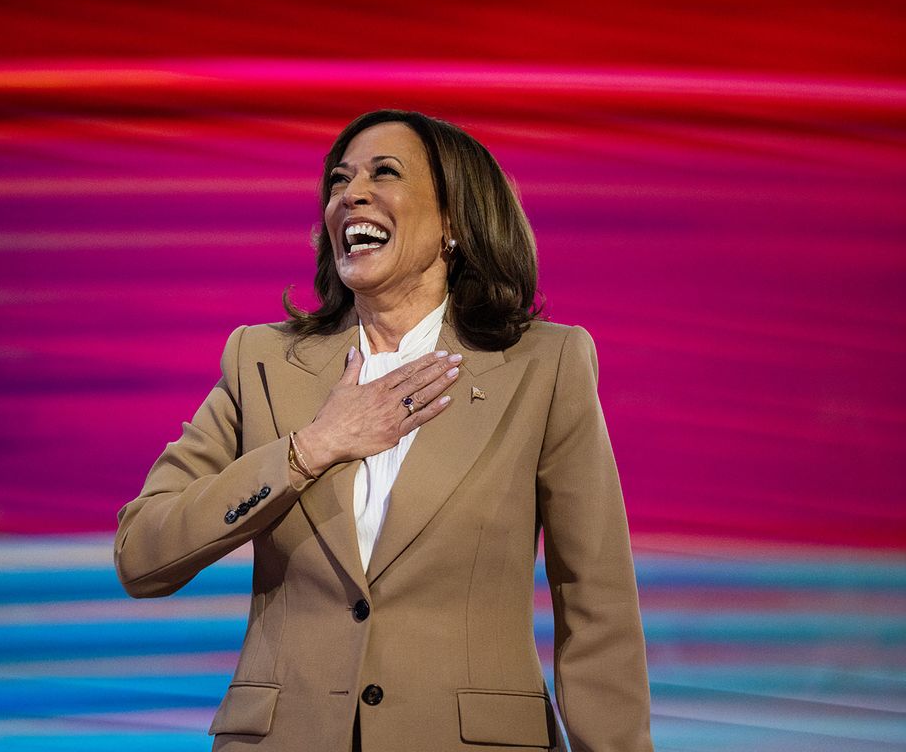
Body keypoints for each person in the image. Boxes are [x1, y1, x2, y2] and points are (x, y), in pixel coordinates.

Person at [114, 109, 653, 752]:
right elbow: (141, 554)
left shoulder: (545, 365)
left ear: (454, 220)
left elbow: (596, 607)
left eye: (384, 173)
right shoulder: (259, 360)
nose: (351, 195)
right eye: (339, 182)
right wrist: (310, 449)